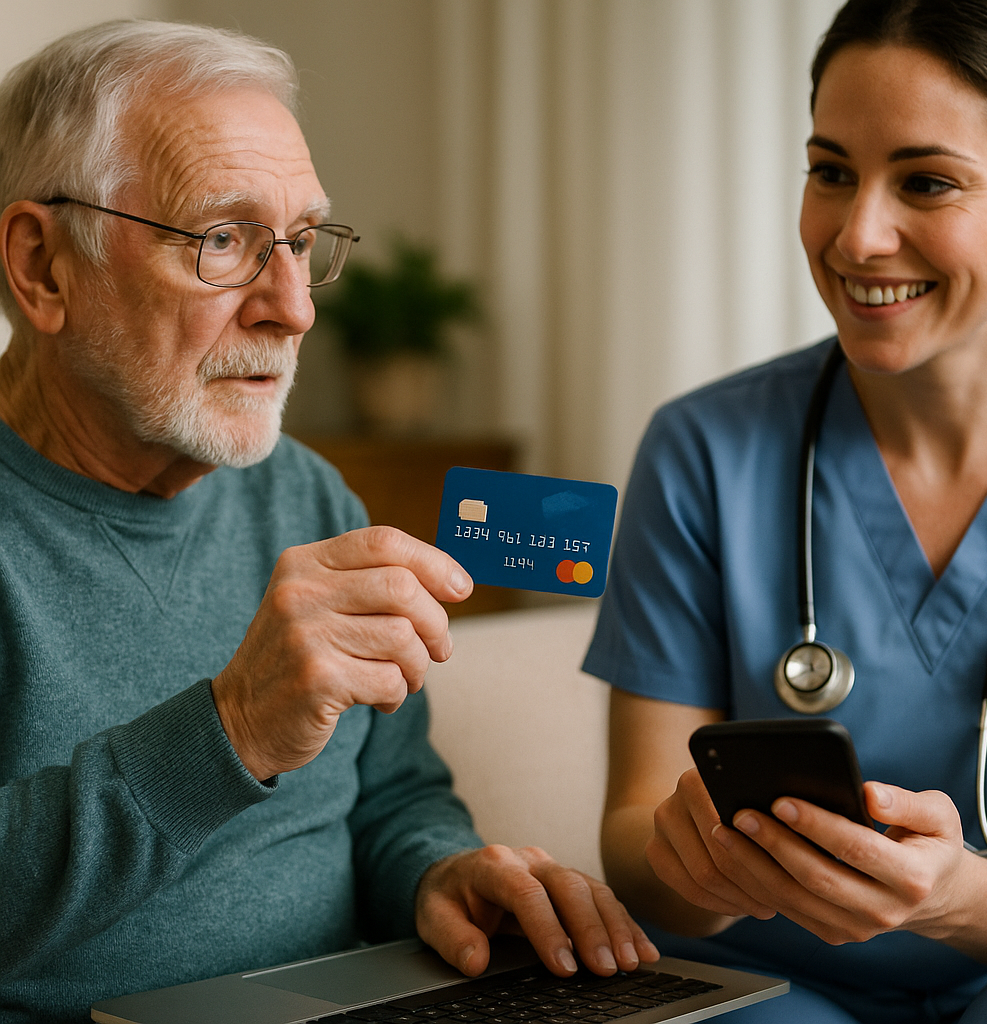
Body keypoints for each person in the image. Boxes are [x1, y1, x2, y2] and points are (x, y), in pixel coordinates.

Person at [0, 20, 658, 1022]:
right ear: (43, 267)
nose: (293, 307)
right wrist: (232, 730)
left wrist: (439, 877)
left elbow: (394, 798)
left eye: (300, 242)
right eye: (222, 239)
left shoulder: (307, 498)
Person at [583, 0, 987, 1020]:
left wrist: (955, 898)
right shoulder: (705, 449)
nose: (857, 235)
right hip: (770, 989)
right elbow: (632, 846)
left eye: (924, 181)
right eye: (830, 171)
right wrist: (688, 858)